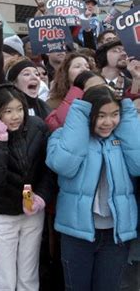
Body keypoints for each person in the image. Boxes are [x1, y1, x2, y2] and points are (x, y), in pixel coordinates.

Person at [46, 85, 140, 291]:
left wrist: (129, 116)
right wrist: (78, 115)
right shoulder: (62, 136)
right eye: (101, 115)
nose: (108, 122)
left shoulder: (124, 139)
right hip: (77, 234)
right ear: (87, 115)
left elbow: (138, 163)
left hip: (115, 234)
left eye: (115, 114)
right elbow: (63, 165)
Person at [0, 84, 52, 291]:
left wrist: (40, 197)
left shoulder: (37, 127)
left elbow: (47, 170)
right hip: (3, 215)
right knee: (5, 279)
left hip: (32, 211)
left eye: (19, 109)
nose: (16, 116)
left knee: (28, 276)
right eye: (8, 111)